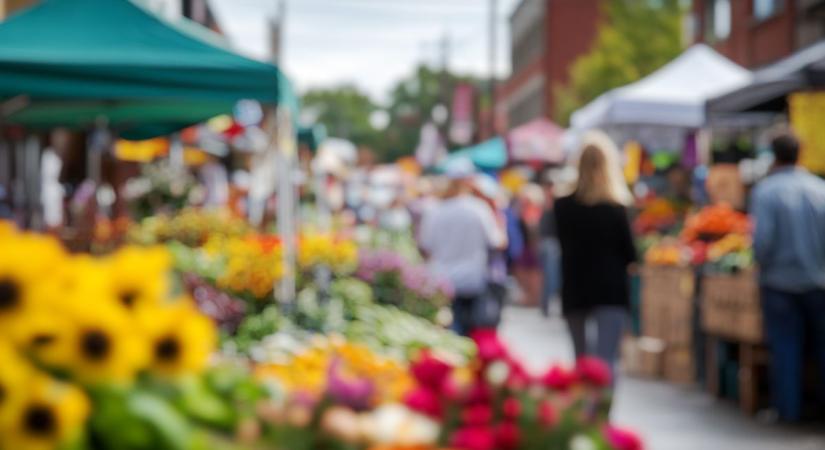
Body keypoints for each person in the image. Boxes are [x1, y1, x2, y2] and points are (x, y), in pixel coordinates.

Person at [750, 131, 825, 423]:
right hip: (819, 282)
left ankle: (788, 411)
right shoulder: (820, 189)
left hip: (779, 284)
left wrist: (761, 265)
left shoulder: (766, 191)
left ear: (774, 156)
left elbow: (763, 241)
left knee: (785, 348)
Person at [555, 132, 636, 372]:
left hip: (575, 287)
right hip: (610, 289)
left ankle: (582, 408)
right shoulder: (616, 207)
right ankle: (603, 409)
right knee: (605, 361)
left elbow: (562, 243)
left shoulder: (562, 206)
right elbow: (630, 254)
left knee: (581, 360)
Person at [419, 157, 506, 335]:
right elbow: (498, 242)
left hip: (442, 281)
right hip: (472, 281)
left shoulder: (434, 210)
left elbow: (425, 247)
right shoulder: (479, 209)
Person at [538, 176, 560, 317]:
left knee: (551, 276)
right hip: (549, 243)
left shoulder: (554, 203)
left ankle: (548, 305)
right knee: (550, 276)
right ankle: (546, 305)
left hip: (550, 242)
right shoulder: (546, 204)